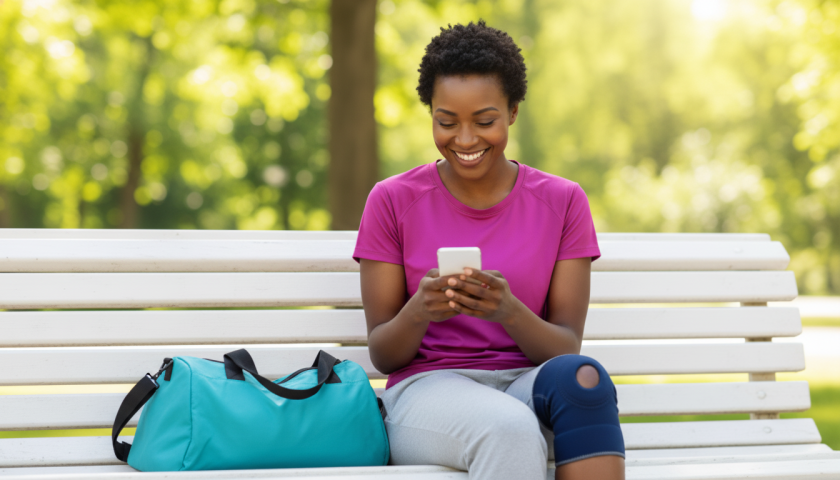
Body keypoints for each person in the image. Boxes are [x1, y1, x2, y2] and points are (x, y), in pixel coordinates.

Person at [353, 20, 625, 480]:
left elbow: (564, 345)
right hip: (427, 392)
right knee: (510, 428)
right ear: (431, 114)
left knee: (585, 379)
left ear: (512, 111)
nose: (464, 140)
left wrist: (508, 311)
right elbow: (383, 353)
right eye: (446, 121)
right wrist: (419, 310)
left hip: (525, 383)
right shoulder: (392, 200)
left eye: (484, 121)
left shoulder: (562, 201)